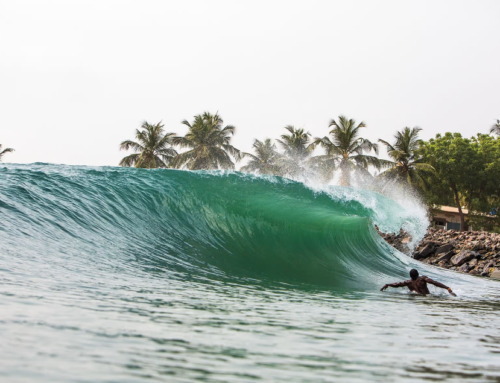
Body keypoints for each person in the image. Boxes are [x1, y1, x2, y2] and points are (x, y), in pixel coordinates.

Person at [380, 269, 457, 296]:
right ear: (418, 274)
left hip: (415, 299)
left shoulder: (408, 282)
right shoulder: (422, 279)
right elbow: (434, 282)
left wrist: (388, 285)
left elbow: (397, 284)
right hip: (426, 297)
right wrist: (447, 287)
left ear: (410, 276)